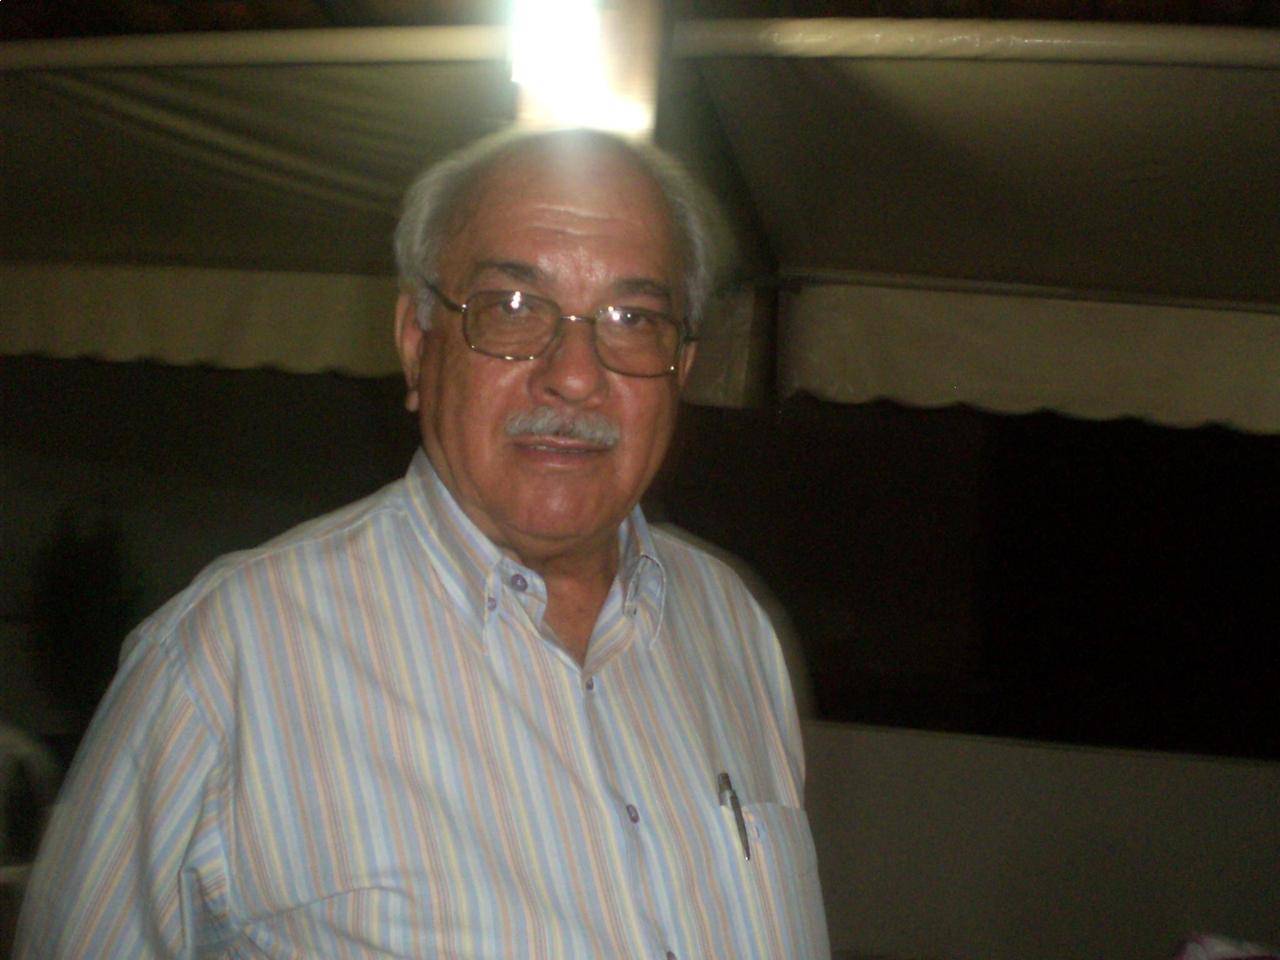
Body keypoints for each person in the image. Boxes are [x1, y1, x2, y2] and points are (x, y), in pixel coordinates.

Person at [15, 128, 829, 959]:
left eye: (633, 318)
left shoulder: (733, 625)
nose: (576, 375)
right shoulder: (225, 663)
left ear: (681, 366)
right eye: (513, 308)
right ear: (417, 343)